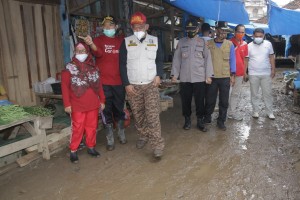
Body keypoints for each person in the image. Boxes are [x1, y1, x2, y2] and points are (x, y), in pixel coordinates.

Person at [119, 12, 165, 159]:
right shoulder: (126, 42)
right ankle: (143, 136)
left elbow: (159, 60)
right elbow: (122, 64)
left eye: (140, 26)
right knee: (138, 116)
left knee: (152, 117)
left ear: (146, 26)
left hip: (151, 84)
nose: (137, 29)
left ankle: (157, 145)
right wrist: (126, 84)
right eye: (135, 27)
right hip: (133, 86)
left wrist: (159, 75)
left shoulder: (155, 40)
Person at [80, 16, 127, 151]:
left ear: (116, 27)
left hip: (119, 82)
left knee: (119, 108)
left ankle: (121, 132)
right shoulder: (98, 40)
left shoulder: (122, 41)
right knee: (106, 110)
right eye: (105, 26)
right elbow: (98, 53)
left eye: (110, 25)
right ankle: (110, 138)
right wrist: (91, 43)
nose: (107, 28)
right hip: (104, 83)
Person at [61, 42, 105, 163]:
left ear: (87, 52)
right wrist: (67, 104)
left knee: (92, 127)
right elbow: (64, 87)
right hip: (77, 104)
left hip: (93, 104)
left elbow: (99, 85)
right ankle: (73, 150)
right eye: (77, 51)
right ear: (74, 52)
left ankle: (91, 147)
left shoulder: (93, 67)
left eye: (82, 51)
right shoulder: (69, 68)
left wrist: (102, 100)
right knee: (77, 128)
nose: (80, 53)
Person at [171, 19, 214, 132]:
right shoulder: (181, 42)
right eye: (188, 30)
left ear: (197, 29)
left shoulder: (203, 42)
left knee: (200, 101)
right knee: (185, 100)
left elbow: (208, 60)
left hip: (199, 77)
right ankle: (187, 120)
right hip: (185, 77)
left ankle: (200, 121)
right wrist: (174, 75)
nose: (190, 32)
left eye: (192, 29)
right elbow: (177, 59)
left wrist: (208, 75)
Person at [204, 21, 236, 131]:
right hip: (212, 76)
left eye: (226, 32)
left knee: (224, 100)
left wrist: (232, 75)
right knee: (210, 99)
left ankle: (221, 121)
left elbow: (232, 60)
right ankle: (207, 117)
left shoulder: (230, 44)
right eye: (222, 31)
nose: (224, 33)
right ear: (216, 31)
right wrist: (206, 75)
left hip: (225, 76)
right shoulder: (209, 44)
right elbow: (205, 60)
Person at [244, 28, 276, 120]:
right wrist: (244, 72)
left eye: (260, 36)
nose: (258, 38)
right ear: (253, 36)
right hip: (253, 73)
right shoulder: (248, 46)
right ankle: (255, 111)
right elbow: (246, 60)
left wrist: (273, 69)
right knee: (254, 94)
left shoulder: (268, 44)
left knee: (268, 93)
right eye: (256, 36)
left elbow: (271, 57)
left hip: (266, 73)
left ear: (264, 35)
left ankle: (270, 112)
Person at [228, 24, 248, 121]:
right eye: (239, 31)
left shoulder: (245, 44)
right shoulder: (229, 43)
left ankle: (231, 113)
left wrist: (245, 72)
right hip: (228, 73)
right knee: (226, 93)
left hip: (240, 73)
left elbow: (245, 59)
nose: (241, 34)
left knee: (235, 93)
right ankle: (222, 112)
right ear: (235, 32)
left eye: (242, 32)